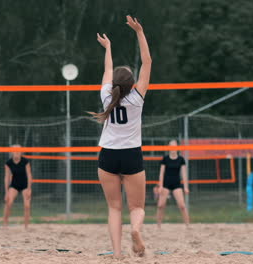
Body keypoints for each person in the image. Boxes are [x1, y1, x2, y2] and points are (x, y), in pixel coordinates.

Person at [90, 15, 151, 258]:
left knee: (114, 208)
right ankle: (135, 230)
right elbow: (147, 61)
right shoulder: (137, 98)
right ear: (132, 83)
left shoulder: (106, 94)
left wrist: (109, 48)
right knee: (136, 207)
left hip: (108, 155)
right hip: (131, 155)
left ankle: (116, 254)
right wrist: (139, 31)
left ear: (114, 83)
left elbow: (107, 69)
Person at [156, 139, 190, 228]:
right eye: (171, 146)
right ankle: (158, 225)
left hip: (176, 184)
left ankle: (188, 225)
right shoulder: (165, 159)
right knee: (160, 205)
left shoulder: (181, 159)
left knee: (182, 205)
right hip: (166, 184)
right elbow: (161, 173)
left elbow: (184, 174)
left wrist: (186, 187)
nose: (173, 148)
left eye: (174, 146)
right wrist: (160, 186)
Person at [3, 144, 33, 229]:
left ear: (21, 152)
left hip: (25, 185)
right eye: (15, 150)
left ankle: (26, 227)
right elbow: (7, 177)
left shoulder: (25, 162)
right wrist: (6, 192)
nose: (16, 152)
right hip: (14, 185)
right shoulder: (8, 163)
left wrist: (29, 189)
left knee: (27, 205)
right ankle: (5, 223)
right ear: (12, 152)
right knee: (9, 202)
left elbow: (29, 175)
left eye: (18, 151)